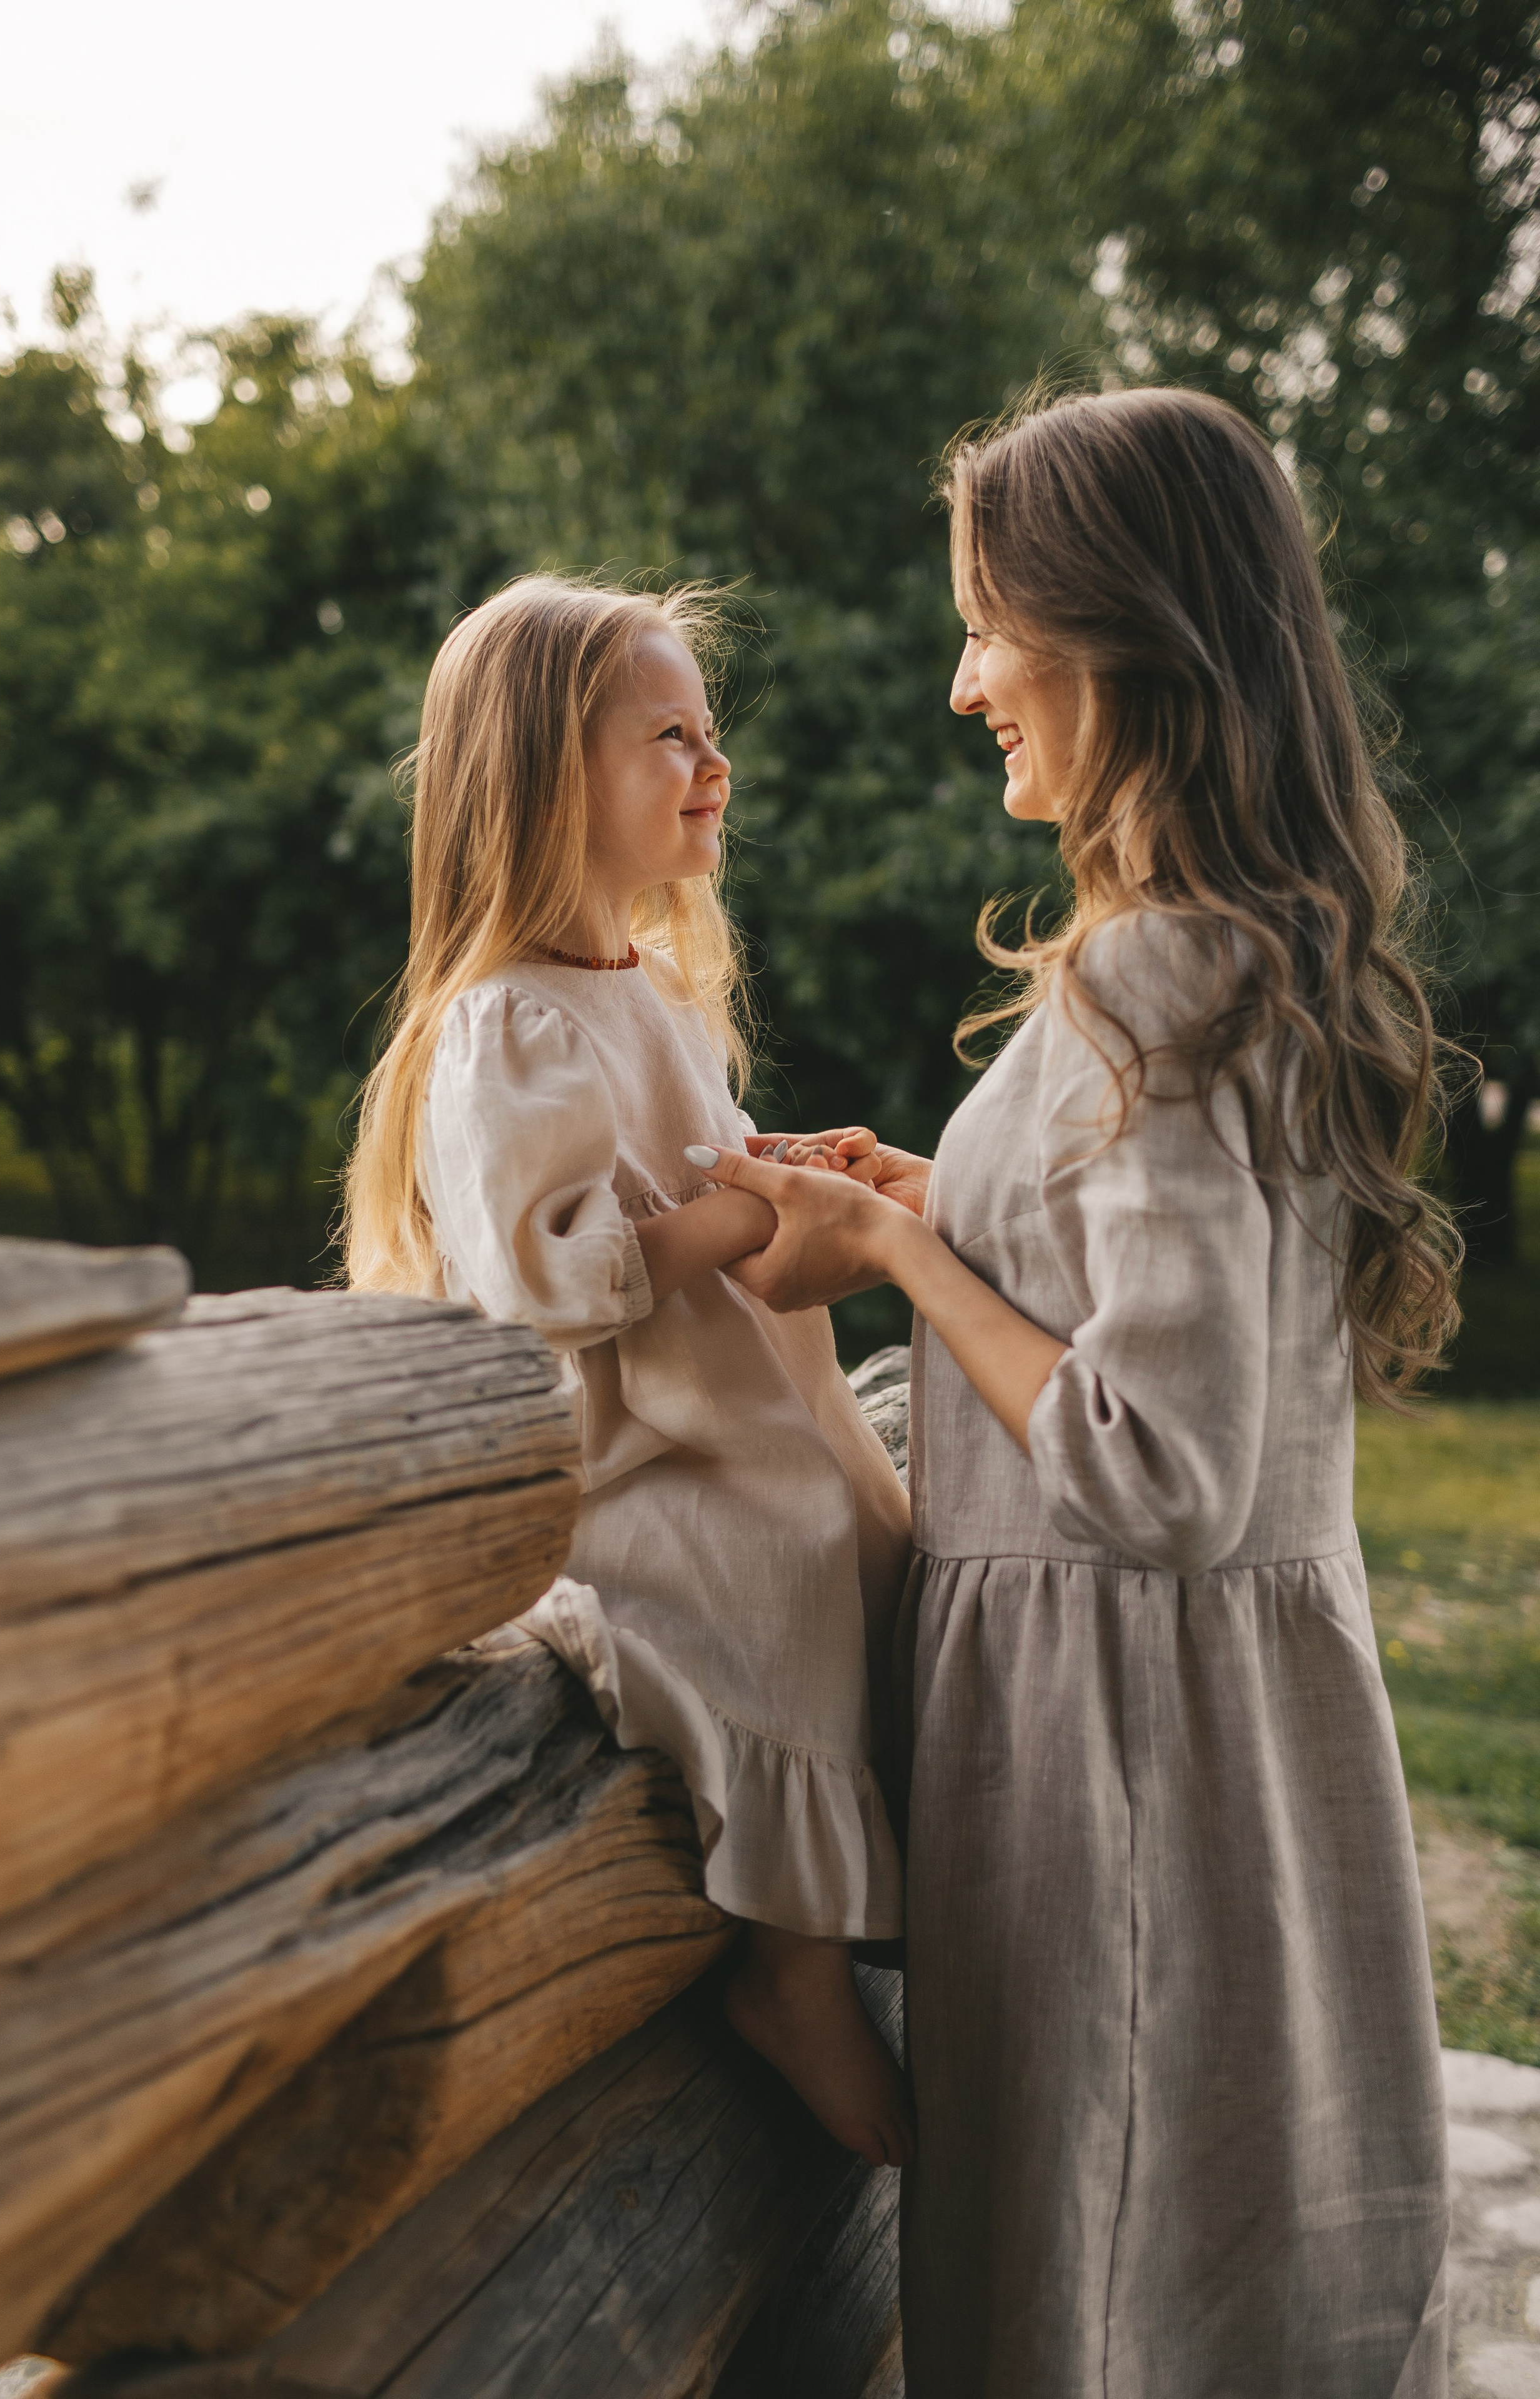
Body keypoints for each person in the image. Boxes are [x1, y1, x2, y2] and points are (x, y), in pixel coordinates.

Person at [689, 388, 1455, 2396]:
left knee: (1096, 2297)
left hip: (1121, 1762)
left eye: (987, 628)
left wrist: (900, 1265)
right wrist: (940, 1202)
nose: (964, 686)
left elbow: (1161, 1467)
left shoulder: (1158, 977)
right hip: (1194, 1737)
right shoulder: (1228, 955)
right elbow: (1149, 1300)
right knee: (1201, 2277)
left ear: (1123, 634)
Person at [340, 574, 913, 2168]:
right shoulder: (503, 1026)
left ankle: (884, 1893)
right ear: (545, 779)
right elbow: (543, 1276)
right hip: (638, 1470)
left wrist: (781, 1169)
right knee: (786, 1571)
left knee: (877, 1536)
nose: (713, 766)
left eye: (709, 733)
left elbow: (692, 1173)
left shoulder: (651, 997)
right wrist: (743, 1206)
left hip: (742, 1417)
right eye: (669, 737)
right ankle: (792, 1974)